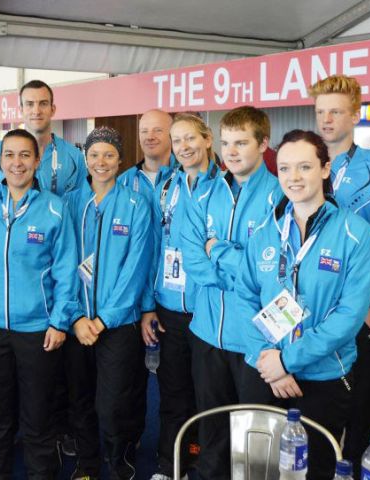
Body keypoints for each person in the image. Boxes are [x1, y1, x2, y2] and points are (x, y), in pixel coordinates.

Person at [237, 130, 370, 479]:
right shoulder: (266, 232)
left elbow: (349, 316)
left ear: (325, 169)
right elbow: (244, 298)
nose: (293, 178)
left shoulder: (354, 233)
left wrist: (288, 360)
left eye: (304, 167)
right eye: (284, 168)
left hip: (323, 376)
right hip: (265, 372)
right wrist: (266, 359)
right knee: (259, 469)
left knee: (313, 470)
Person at [0, 129, 82, 480]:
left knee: (38, 415)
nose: (16, 163)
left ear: (36, 161)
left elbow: (67, 272)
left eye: (24, 156)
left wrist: (60, 322)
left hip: (38, 329)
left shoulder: (54, 208)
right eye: (9, 155)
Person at [180, 106, 281, 479]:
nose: (231, 152)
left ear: (263, 144)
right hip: (207, 333)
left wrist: (217, 250)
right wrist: (232, 270)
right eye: (226, 143)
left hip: (256, 340)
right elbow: (191, 256)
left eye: (241, 143)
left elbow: (271, 276)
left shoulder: (280, 197)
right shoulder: (205, 193)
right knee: (212, 433)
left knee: (255, 441)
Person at [309, 74, 370, 477]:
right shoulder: (305, 161)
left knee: (360, 404)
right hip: (312, 304)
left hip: (357, 305)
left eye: (336, 112)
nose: (327, 120)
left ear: (355, 114)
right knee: (317, 401)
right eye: (321, 111)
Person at [63, 126, 152, 480]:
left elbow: (136, 267)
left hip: (117, 324)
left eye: (109, 155)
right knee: (80, 399)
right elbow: (61, 261)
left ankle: (119, 461)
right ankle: (87, 463)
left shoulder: (136, 204)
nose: (101, 162)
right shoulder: (69, 202)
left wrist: (104, 319)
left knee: (113, 403)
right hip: (76, 323)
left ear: (120, 161)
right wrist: (75, 318)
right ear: (85, 158)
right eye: (95, 155)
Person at [140, 113, 219, 480]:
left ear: (207, 139)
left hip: (207, 311)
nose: (184, 147)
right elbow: (155, 246)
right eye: (178, 141)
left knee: (207, 396)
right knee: (172, 393)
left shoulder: (222, 185)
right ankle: (169, 465)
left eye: (191, 138)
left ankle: (202, 465)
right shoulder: (167, 185)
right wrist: (149, 304)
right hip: (169, 307)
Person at [117, 108, 177, 445]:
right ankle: (132, 439)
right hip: (132, 297)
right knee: (130, 378)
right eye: (144, 131)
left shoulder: (186, 179)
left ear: (171, 134)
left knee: (175, 382)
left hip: (174, 298)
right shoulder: (124, 182)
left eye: (158, 130)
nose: (150, 137)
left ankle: (181, 450)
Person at [0, 80, 87, 203]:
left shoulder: (74, 156)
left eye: (43, 103)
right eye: (30, 104)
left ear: (52, 109)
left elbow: (82, 207)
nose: (36, 111)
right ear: (21, 110)